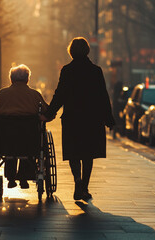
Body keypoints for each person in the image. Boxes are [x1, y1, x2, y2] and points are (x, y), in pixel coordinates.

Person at [41, 37, 115, 201]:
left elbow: (60, 94)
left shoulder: (67, 71)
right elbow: (103, 96)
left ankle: (77, 179)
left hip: (73, 118)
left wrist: (49, 113)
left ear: (71, 52)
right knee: (88, 154)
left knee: (74, 153)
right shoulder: (96, 71)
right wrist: (109, 119)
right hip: (92, 119)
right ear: (87, 51)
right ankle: (85, 187)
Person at [0, 64, 48, 189]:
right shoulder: (35, 95)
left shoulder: (0, 95)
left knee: (9, 145)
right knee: (27, 146)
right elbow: (48, 113)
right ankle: (24, 177)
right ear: (27, 79)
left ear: (11, 79)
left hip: (4, 140)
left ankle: (11, 177)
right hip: (29, 140)